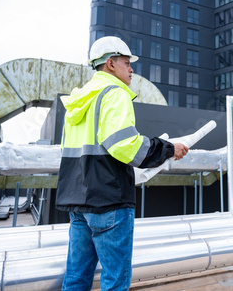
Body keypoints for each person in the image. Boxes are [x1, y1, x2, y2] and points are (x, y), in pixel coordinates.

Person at [56, 36, 188, 290]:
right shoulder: (115, 93)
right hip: (109, 200)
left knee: (76, 277)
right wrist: (168, 149)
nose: (131, 69)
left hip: (78, 201)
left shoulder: (78, 101)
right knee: (114, 281)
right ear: (110, 64)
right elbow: (125, 145)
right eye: (127, 63)